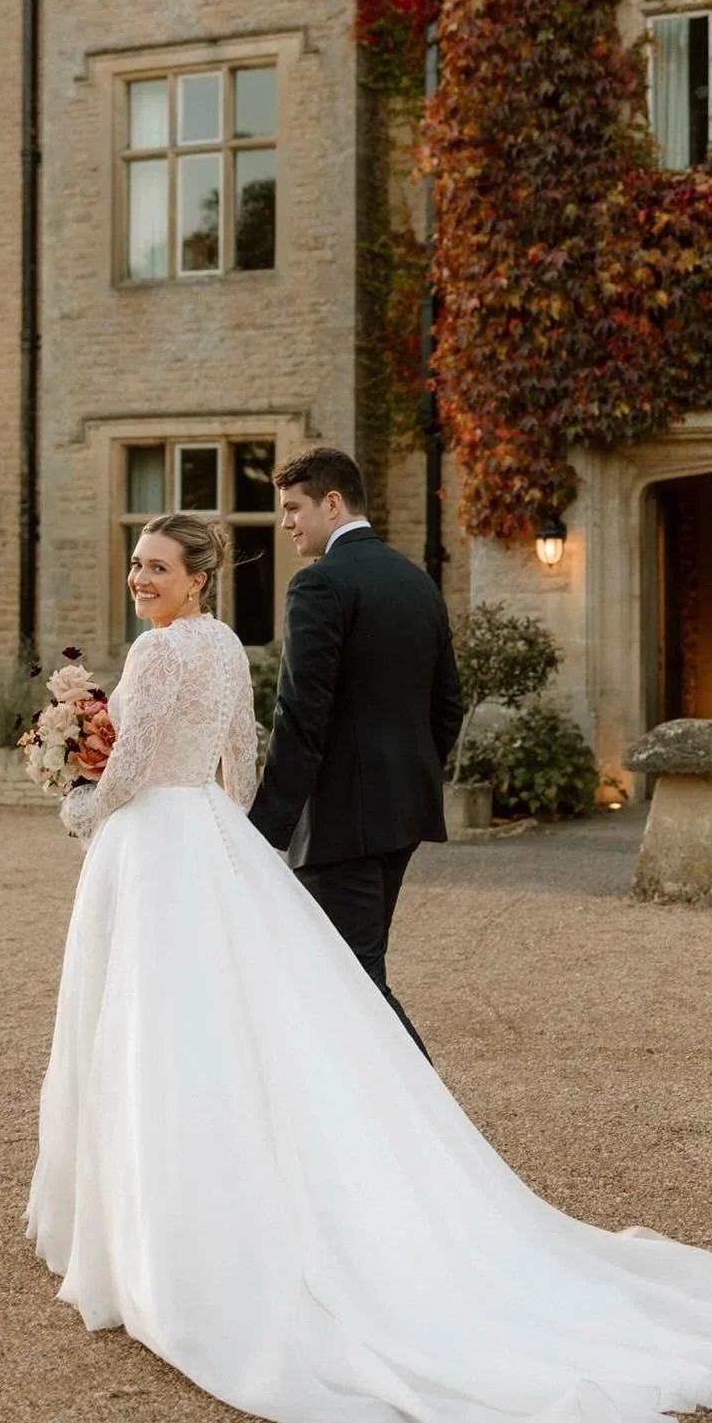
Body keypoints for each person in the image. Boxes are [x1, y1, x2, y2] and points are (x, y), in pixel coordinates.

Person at [28, 510, 712, 1423]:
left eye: (157, 566)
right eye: (135, 565)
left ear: (199, 577)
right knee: (220, 1030)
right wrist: (222, 836)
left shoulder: (159, 652)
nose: (139, 579)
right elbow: (237, 763)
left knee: (157, 1034)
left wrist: (80, 799)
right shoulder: (230, 651)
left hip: (152, 846)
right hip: (204, 839)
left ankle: (161, 1236)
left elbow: (133, 766)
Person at [248, 448, 462, 1058]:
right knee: (351, 971)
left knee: (352, 981)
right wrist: (407, 777)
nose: (286, 522)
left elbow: (300, 716)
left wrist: (265, 829)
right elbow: (447, 706)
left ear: (332, 502)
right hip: (402, 815)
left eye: (294, 507)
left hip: (341, 822)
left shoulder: (319, 583)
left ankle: (431, 1128)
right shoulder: (415, 580)